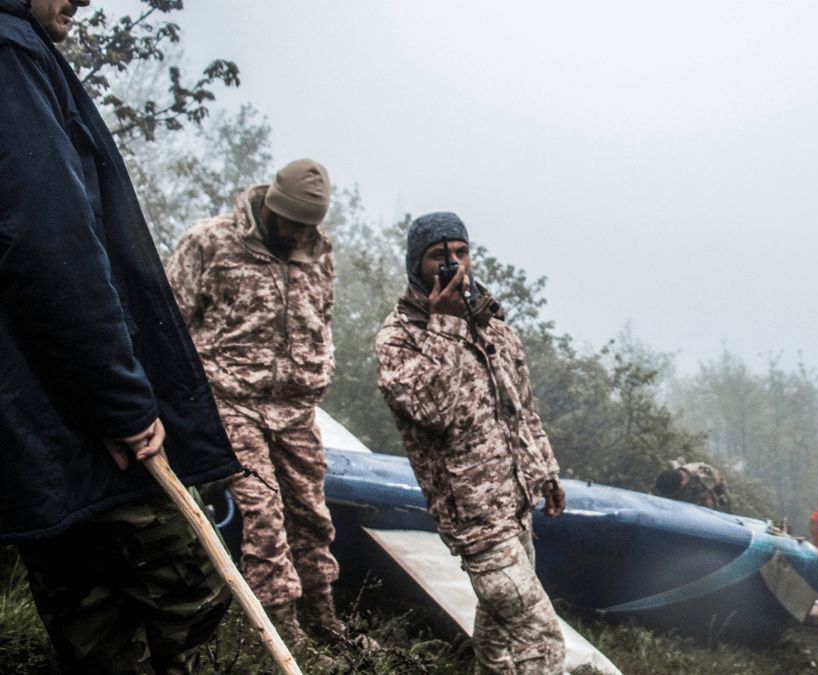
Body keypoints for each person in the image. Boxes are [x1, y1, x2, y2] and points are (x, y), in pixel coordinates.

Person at [0, 0, 242, 671]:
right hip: (78, 420)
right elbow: (51, 249)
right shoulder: (12, 55)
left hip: (31, 428)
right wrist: (124, 404)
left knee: (88, 618)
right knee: (181, 593)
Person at [376, 212, 567, 674]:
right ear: (414, 265)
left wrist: (546, 470)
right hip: (474, 516)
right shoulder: (398, 338)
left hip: (515, 502)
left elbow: (520, 409)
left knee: (500, 633)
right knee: (540, 637)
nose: (454, 264)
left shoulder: (493, 325)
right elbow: (433, 411)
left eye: (461, 252)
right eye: (438, 257)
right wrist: (445, 324)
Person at [166, 159, 342, 645]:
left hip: (296, 410)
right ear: (271, 207)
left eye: (311, 225)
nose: (301, 234)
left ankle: (324, 620)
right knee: (263, 511)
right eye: (294, 223)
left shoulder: (319, 253)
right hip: (230, 401)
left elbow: (321, 320)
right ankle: (281, 632)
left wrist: (318, 368)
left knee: (312, 515)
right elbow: (170, 323)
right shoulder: (210, 243)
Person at [652, 459, 732, 512]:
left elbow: (718, 483)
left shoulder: (703, 476)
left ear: (682, 484)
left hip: (710, 502)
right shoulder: (669, 477)